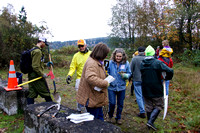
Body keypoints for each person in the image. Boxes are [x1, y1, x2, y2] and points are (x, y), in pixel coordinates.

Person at [140, 45, 173, 131]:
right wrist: (167, 77)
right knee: (159, 105)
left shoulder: (142, 63)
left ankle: (149, 124)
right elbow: (170, 70)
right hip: (156, 88)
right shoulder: (157, 63)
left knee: (149, 106)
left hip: (145, 88)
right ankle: (150, 122)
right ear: (153, 53)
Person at [76, 42, 110, 121]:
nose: (106, 56)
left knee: (99, 117)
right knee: (94, 120)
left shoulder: (96, 61)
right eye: (105, 54)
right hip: (91, 98)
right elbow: (90, 77)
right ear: (101, 53)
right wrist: (104, 83)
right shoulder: (92, 63)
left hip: (95, 97)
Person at [107, 48, 131, 125]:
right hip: (112, 87)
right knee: (112, 103)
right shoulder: (110, 63)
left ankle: (118, 117)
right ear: (114, 56)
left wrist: (125, 75)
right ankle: (110, 116)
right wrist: (107, 76)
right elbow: (106, 72)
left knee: (120, 104)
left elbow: (129, 73)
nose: (118, 58)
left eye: (120, 56)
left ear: (123, 56)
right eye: (117, 56)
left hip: (121, 87)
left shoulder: (126, 63)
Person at [66, 39, 91, 111]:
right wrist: (69, 75)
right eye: (79, 46)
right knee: (80, 96)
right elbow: (72, 67)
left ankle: (89, 110)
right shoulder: (76, 56)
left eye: (82, 46)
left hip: (90, 78)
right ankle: (79, 110)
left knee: (89, 96)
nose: (81, 47)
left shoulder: (91, 54)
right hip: (80, 78)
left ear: (85, 45)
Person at [27, 37, 52, 105]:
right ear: (41, 42)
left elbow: (38, 63)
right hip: (36, 76)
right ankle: (52, 106)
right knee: (45, 92)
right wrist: (42, 74)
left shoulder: (33, 49)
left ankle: (29, 109)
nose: (44, 45)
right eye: (44, 43)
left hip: (31, 75)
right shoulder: (37, 52)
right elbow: (35, 66)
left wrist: (46, 64)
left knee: (32, 93)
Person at [130, 46, 146, 118]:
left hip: (137, 79)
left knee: (139, 96)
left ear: (138, 52)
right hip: (145, 80)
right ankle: (144, 108)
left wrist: (130, 77)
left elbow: (130, 70)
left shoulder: (134, 59)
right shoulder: (147, 58)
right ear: (144, 51)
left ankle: (142, 111)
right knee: (143, 95)